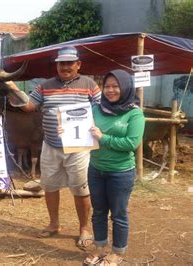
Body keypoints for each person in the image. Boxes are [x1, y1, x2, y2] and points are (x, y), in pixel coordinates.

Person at [7, 46, 101, 249]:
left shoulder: (90, 84)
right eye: (61, 63)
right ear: (57, 65)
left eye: (69, 63)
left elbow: (102, 109)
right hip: (50, 145)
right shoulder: (45, 86)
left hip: (79, 147)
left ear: (78, 64)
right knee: (50, 187)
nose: (65, 67)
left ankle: (84, 228)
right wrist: (13, 88)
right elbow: (28, 106)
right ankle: (53, 224)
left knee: (80, 188)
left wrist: (96, 126)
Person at [83, 69, 145, 265]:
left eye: (115, 86)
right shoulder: (96, 109)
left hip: (121, 172)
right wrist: (65, 130)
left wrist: (104, 138)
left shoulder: (134, 113)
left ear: (126, 88)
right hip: (95, 169)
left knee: (118, 214)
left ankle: (117, 252)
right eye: (107, 86)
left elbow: (131, 143)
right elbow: (82, 132)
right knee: (99, 211)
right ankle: (100, 248)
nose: (110, 90)